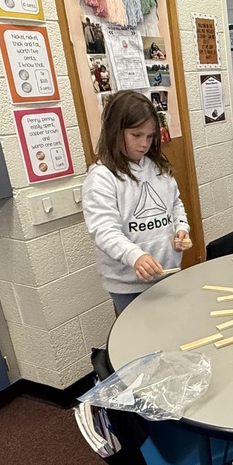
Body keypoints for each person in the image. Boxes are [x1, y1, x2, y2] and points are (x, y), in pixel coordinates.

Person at [83, 90, 191, 314]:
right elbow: (104, 230)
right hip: (128, 284)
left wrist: (181, 228)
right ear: (115, 131)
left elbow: (175, 205)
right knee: (141, 344)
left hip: (167, 273)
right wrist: (136, 256)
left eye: (150, 137)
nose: (144, 144)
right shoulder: (102, 177)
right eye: (136, 135)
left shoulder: (157, 167)